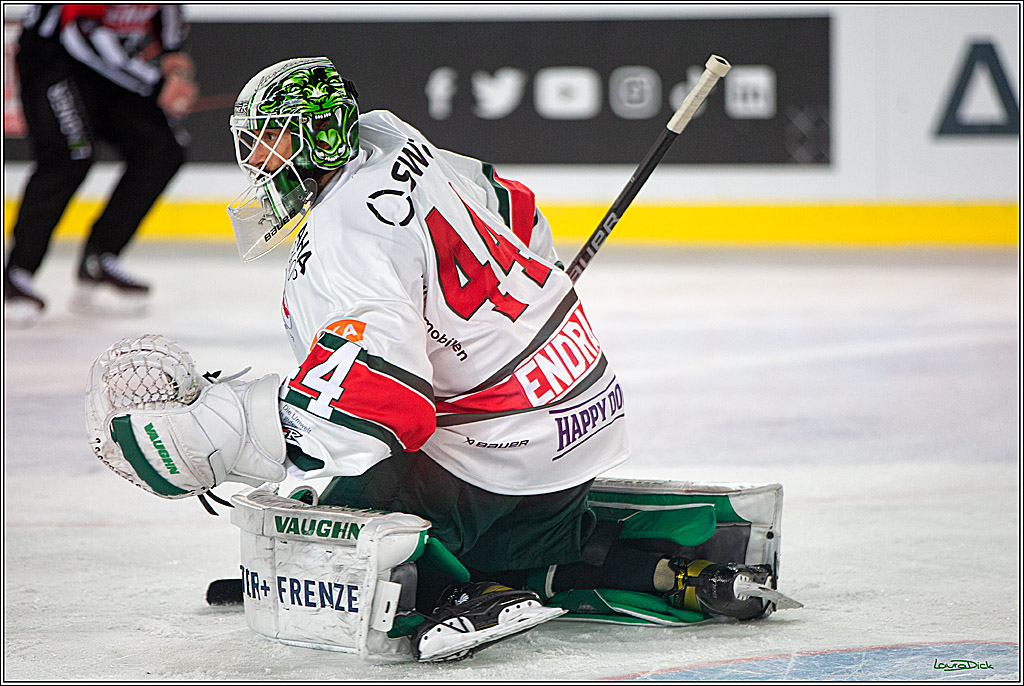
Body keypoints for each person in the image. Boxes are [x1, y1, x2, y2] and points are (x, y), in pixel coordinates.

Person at [87, 57, 787, 662]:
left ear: (318, 137)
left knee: (351, 503)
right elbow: (518, 208)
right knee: (523, 536)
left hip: (498, 456)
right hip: (582, 418)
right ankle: (653, 568)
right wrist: (513, 308)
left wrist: (229, 433)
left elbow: (379, 411)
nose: (259, 163)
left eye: (272, 141)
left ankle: (452, 590)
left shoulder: (340, 238)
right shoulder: (393, 140)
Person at [3, 4, 198, 327]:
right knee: (70, 155)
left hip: (108, 60)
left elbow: (168, 10)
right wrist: (155, 82)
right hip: (55, 58)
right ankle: (16, 274)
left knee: (162, 149)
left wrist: (173, 51)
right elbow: (78, 31)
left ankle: (100, 260)